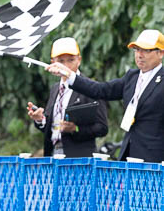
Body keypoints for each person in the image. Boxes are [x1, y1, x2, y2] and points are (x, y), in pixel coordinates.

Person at [47, 29, 164, 163]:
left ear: (160, 53)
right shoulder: (132, 77)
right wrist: (70, 75)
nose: (139, 55)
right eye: (137, 50)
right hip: (130, 153)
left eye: (146, 50)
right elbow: (100, 90)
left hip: (156, 158)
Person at [27, 38, 108, 157]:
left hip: (79, 158)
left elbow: (102, 128)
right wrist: (40, 119)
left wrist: (75, 129)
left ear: (79, 60)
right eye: (61, 61)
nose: (66, 66)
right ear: (52, 62)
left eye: (71, 60)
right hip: (54, 154)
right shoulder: (55, 89)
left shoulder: (91, 88)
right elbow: (51, 128)